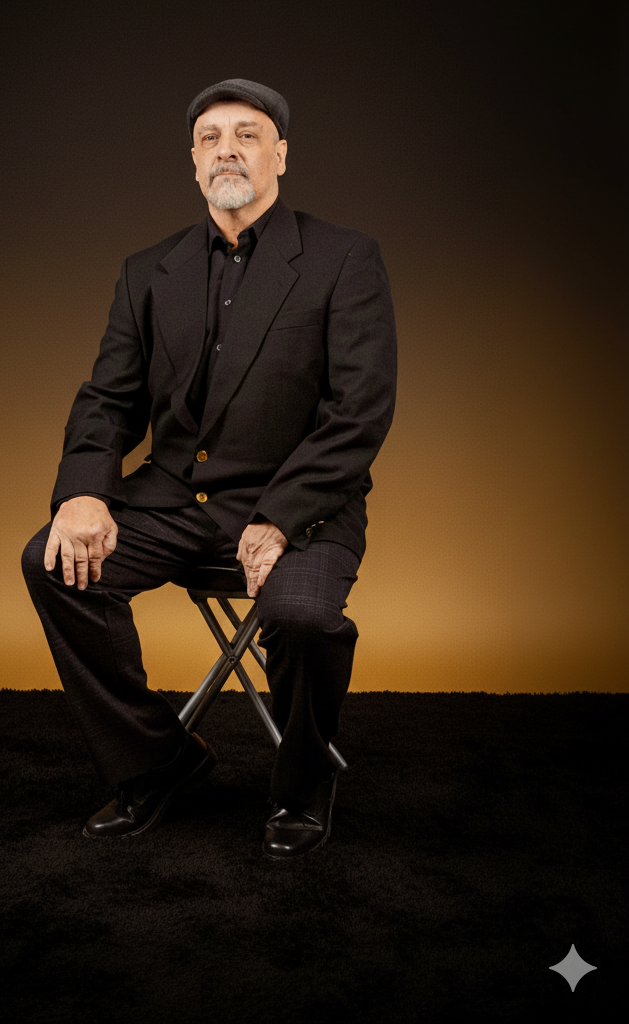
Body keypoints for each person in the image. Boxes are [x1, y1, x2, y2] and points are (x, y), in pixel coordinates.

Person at [22, 78, 396, 858]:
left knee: (303, 618)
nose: (227, 150)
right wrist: (84, 492)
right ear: (193, 162)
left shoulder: (345, 258)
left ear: (280, 155)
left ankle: (304, 783)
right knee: (53, 563)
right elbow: (107, 400)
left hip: (302, 505)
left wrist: (280, 518)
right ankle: (158, 762)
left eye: (247, 135)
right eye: (210, 138)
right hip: (174, 501)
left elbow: (359, 412)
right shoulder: (146, 271)